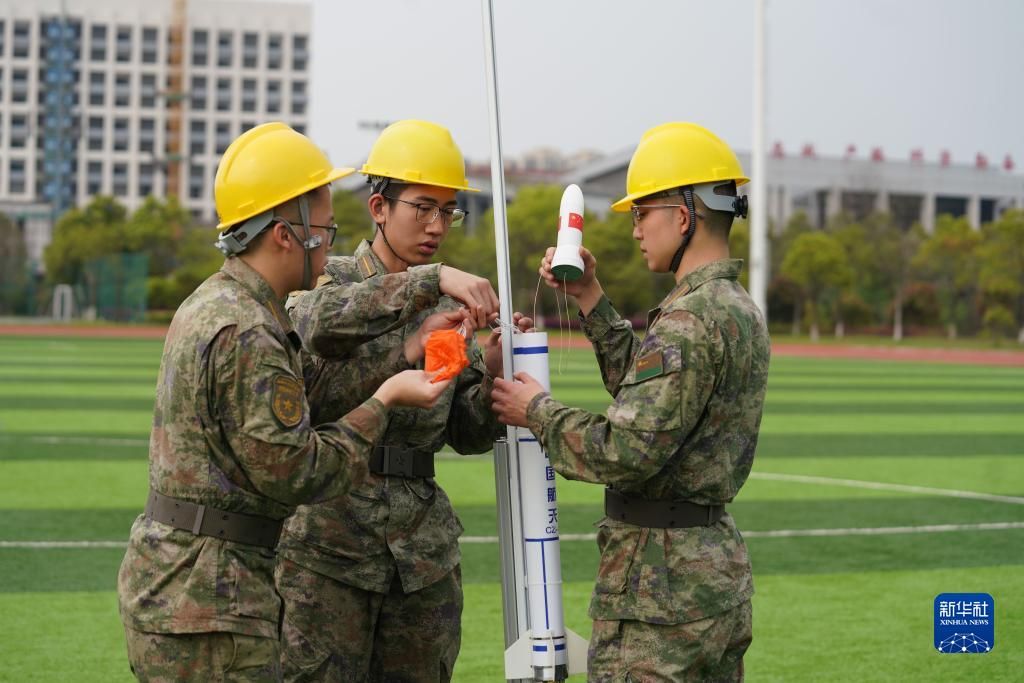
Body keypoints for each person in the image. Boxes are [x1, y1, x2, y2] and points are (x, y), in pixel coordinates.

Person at [116, 122, 457, 681]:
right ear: (284, 233)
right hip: (212, 599)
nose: (327, 243)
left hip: (187, 585)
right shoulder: (249, 327)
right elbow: (295, 472)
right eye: (323, 229)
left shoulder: (212, 303)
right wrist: (386, 398)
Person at [491, 122, 770, 682]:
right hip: (709, 577)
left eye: (643, 212)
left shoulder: (689, 320)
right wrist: (590, 298)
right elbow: (655, 403)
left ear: (684, 216)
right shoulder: (735, 307)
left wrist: (538, 412)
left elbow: (626, 450)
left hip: (660, 591)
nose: (636, 228)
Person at [276, 119, 523, 682]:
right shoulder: (326, 278)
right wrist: (426, 290)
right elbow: (318, 347)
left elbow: (464, 431)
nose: (437, 225)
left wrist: (489, 375)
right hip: (327, 550)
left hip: (420, 555)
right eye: (423, 208)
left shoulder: (446, 300)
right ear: (379, 207)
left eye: (449, 211)